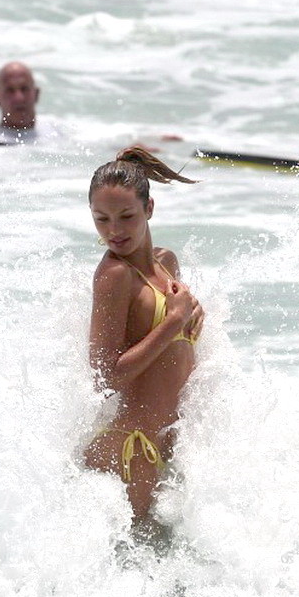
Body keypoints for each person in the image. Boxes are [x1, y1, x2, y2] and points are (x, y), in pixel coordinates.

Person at [84, 147, 204, 525]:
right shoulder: (114, 277)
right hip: (131, 451)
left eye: (126, 216)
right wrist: (173, 322)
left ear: (149, 208)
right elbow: (105, 376)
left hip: (169, 449)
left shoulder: (166, 264)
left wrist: (194, 314)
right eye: (101, 220)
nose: (114, 231)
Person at [0, 61, 40, 147]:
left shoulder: (54, 129)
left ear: (36, 94)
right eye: (10, 90)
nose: (19, 98)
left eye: (24, 89)